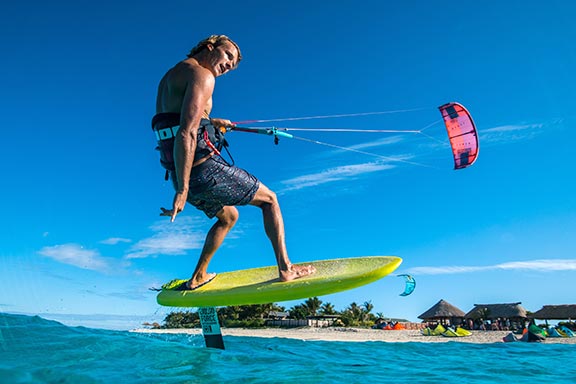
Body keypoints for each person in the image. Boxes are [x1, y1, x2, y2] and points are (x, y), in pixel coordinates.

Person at [153, 35, 315, 290]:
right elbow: (187, 131)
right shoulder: (202, 75)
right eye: (228, 55)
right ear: (209, 46)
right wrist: (182, 191)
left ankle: (197, 277)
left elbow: (174, 122)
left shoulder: (172, 75)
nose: (229, 65)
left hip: (180, 171)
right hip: (202, 170)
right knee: (270, 199)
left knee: (228, 216)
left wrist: (212, 121)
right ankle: (286, 269)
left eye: (234, 64)